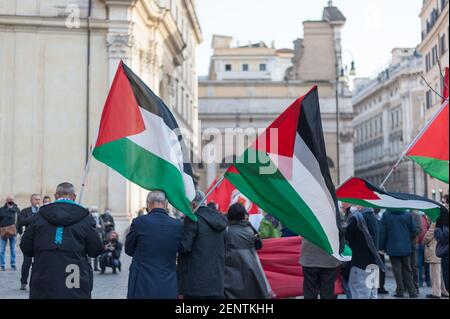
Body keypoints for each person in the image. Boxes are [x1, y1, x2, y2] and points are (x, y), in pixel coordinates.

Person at [20, 182, 103, 299]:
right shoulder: (85, 218)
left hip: (44, 276)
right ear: (74, 196)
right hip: (75, 280)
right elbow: (95, 249)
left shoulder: (39, 216)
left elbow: (26, 247)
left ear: (55, 195)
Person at [125, 191, 183, 299]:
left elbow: (128, 249)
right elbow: (181, 249)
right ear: (165, 204)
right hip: (168, 281)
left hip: (142, 281)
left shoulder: (139, 222)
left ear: (148, 203)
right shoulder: (177, 225)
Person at [177, 191, 228, 299]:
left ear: (194, 204)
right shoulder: (220, 219)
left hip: (195, 284)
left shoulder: (193, 219)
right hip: (216, 282)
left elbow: (185, 246)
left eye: (188, 204)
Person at [224, 203, 270, 299]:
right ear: (243, 215)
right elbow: (259, 245)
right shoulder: (250, 229)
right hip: (250, 266)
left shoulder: (226, 230)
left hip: (230, 268)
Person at [345, 206, 385, 299]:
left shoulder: (357, 217)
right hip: (374, 263)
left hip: (360, 264)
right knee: (372, 295)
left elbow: (346, 235)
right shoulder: (374, 217)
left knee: (359, 294)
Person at [379, 209, 418, 298]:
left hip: (392, 246)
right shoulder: (408, 215)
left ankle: (400, 291)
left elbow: (382, 232)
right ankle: (412, 291)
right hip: (405, 246)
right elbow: (414, 230)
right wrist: (406, 234)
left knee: (397, 270)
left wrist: (381, 246)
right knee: (407, 269)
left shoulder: (386, 215)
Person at [18, 194, 41, 290]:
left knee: (39, 263)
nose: (38, 201)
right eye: (36, 199)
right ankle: (23, 282)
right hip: (28, 240)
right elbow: (22, 222)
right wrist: (35, 216)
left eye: (39, 199)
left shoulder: (43, 211)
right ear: (31, 201)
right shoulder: (25, 211)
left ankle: (36, 283)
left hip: (40, 240)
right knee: (27, 263)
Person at [424, 222, 449, 298]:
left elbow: (429, 235)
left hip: (434, 249)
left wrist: (423, 240)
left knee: (435, 273)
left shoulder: (436, 221)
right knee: (442, 274)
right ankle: (445, 292)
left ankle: (436, 293)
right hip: (443, 250)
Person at [0, 195, 20, 271]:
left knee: (13, 249)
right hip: (3, 231)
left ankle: (13, 264)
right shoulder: (1, 210)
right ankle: (2, 265)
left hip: (13, 231)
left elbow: (19, 221)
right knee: (2, 249)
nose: (11, 200)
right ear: (6, 200)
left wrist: (19, 231)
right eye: (9, 199)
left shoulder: (17, 209)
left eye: (12, 199)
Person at [435, 204, 449, 292]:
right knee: (447, 281)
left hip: (446, 255)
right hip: (445, 255)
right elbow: (442, 238)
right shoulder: (439, 227)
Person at [410, 210, 423, 294]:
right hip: (404, 245)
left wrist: (406, 232)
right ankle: (406, 286)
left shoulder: (416, 216)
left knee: (414, 266)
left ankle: (415, 287)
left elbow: (419, 229)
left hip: (413, 245)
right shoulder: (405, 214)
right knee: (405, 267)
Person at [417, 213, 432, 288]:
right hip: (419, 245)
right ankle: (420, 282)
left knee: (427, 264)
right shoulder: (420, 217)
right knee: (419, 265)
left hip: (427, 246)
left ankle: (428, 281)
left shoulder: (429, 218)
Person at [89, 206, 105, 271]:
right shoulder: (88, 218)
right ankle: (89, 266)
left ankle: (96, 266)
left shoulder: (99, 218)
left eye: (95, 210)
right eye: (93, 210)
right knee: (89, 252)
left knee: (97, 251)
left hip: (98, 236)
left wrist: (100, 227)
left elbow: (103, 227)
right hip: (90, 236)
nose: (94, 212)